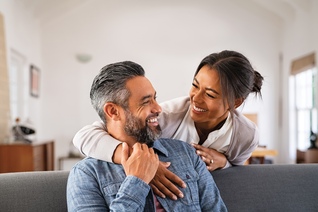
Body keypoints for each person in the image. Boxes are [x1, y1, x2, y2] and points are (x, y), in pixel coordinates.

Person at [73, 50, 264, 199]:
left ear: (235, 103)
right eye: (195, 85)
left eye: (210, 94)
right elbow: (84, 136)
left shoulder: (245, 136)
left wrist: (224, 162)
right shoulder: (168, 115)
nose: (195, 99)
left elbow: (237, 170)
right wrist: (140, 162)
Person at [67, 61, 227, 211]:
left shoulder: (186, 153)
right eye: (145, 102)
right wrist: (136, 182)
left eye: (155, 98)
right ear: (113, 111)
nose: (158, 108)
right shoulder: (86, 174)